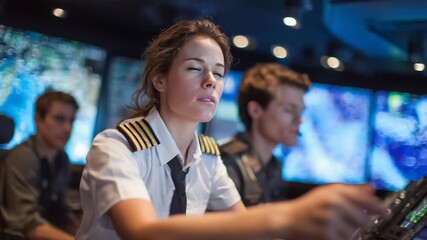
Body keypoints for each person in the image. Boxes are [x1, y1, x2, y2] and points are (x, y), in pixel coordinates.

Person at [76, 19, 389, 240]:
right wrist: (288, 217)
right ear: (160, 80)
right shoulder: (116, 147)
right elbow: (142, 233)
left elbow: (246, 228)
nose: (211, 80)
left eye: (218, 72)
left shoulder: (208, 159)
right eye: (195, 68)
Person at [220, 63, 310, 206]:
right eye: (289, 110)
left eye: (301, 111)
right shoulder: (225, 163)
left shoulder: (274, 166)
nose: (300, 120)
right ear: (255, 110)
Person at [0, 91, 80, 240]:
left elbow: (60, 214)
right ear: (38, 119)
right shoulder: (24, 157)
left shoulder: (61, 158)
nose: (67, 128)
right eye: (59, 119)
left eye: (71, 121)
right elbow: (26, 225)